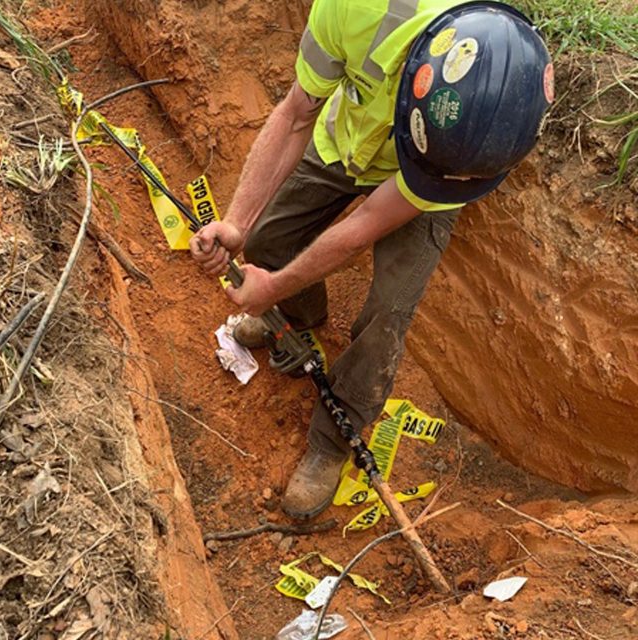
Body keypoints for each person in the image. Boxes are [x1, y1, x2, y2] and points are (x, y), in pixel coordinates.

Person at [190, 0, 553, 519]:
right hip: (345, 142)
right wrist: (238, 224)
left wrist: (269, 287)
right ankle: (297, 318)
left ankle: (333, 441)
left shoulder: (475, 144)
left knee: (387, 314)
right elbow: (296, 115)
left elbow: (360, 232)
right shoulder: (348, 11)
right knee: (270, 242)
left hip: (424, 178)